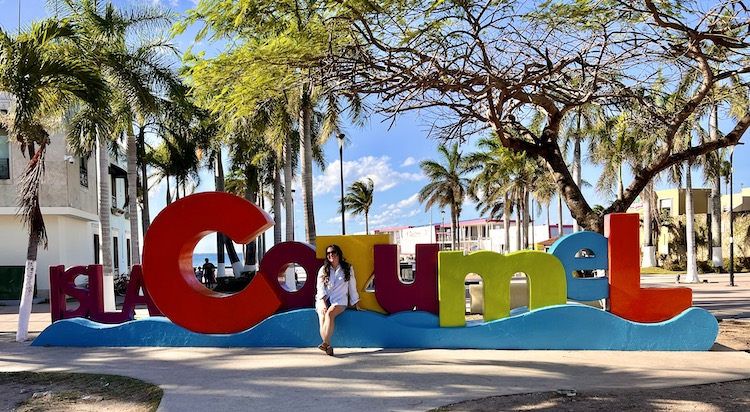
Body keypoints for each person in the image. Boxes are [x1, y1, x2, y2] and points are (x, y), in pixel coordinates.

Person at [315, 244, 361, 356]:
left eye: (333, 252)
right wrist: (322, 303)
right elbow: (320, 288)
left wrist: (356, 303)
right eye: (328, 253)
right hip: (324, 299)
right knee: (322, 317)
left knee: (330, 314)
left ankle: (325, 343)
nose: (331, 255)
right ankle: (328, 346)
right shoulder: (323, 269)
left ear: (338, 254)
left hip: (339, 300)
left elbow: (352, 286)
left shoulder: (347, 268)